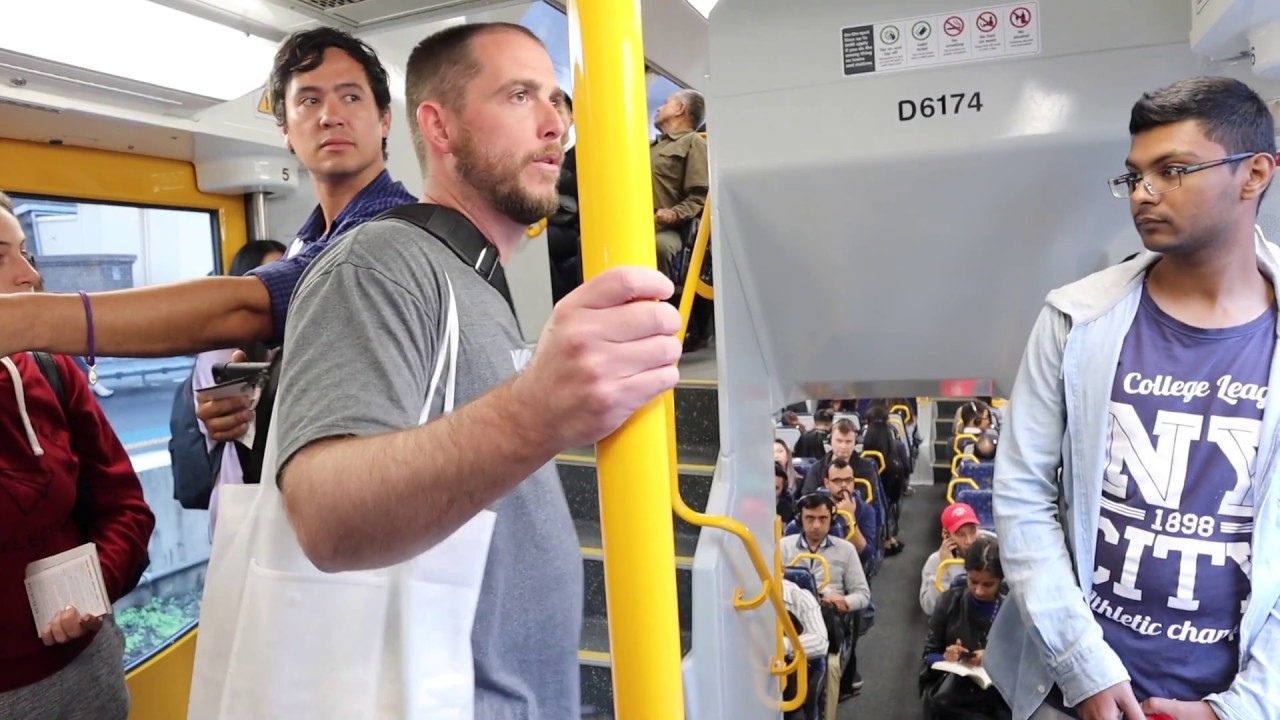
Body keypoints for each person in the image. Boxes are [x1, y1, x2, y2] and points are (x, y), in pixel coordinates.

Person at [252, 22, 680, 717]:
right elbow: (324, 515)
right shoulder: (382, 265)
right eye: (519, 96)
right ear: (439, 128)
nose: (555, 125)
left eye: (557, 101)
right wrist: (537, 412)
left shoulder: (473, 277)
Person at [990, 76, 1279, 720]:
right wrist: (1082, 668)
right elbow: (1022, 495)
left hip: (1234, 697)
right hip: (1069, 691)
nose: (1144, 193)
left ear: (1255, 173)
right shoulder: (1074, 318)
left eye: (1172, 171)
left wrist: (1242, 708)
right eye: (1134, 175)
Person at [0, 28, 417, 412]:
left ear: (385, 119)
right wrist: (254, 401)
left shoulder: (396, 232)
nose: (330, 116)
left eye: (351, 97)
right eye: (309, 101)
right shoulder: (306, 242)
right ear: (285, 131)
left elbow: (244, 308)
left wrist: (31, 318)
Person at [0, 191, 155, 719]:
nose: (28, 275)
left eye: (26, 253)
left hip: (87, 668)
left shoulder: (51, 370)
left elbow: (126, 508)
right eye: (0, 256)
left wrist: (94, 587)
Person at [920, 536, 1011, 720]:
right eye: (973, 582)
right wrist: (946, 657)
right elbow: (928, 655)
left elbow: (1025, 660)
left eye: (988, 584)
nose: (979, 590)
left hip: (1000, 691)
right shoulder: (948, 602)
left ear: (1000, 580)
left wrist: (994, 658)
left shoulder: (1013, 609)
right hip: (955, 692)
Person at [920, 503, 983, 616]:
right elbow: (931, 608)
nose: (969, 541)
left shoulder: (990, 551)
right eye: (960, 535)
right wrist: (946, 568)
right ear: (946, 535)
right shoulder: (936, 561)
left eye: (972, 532)